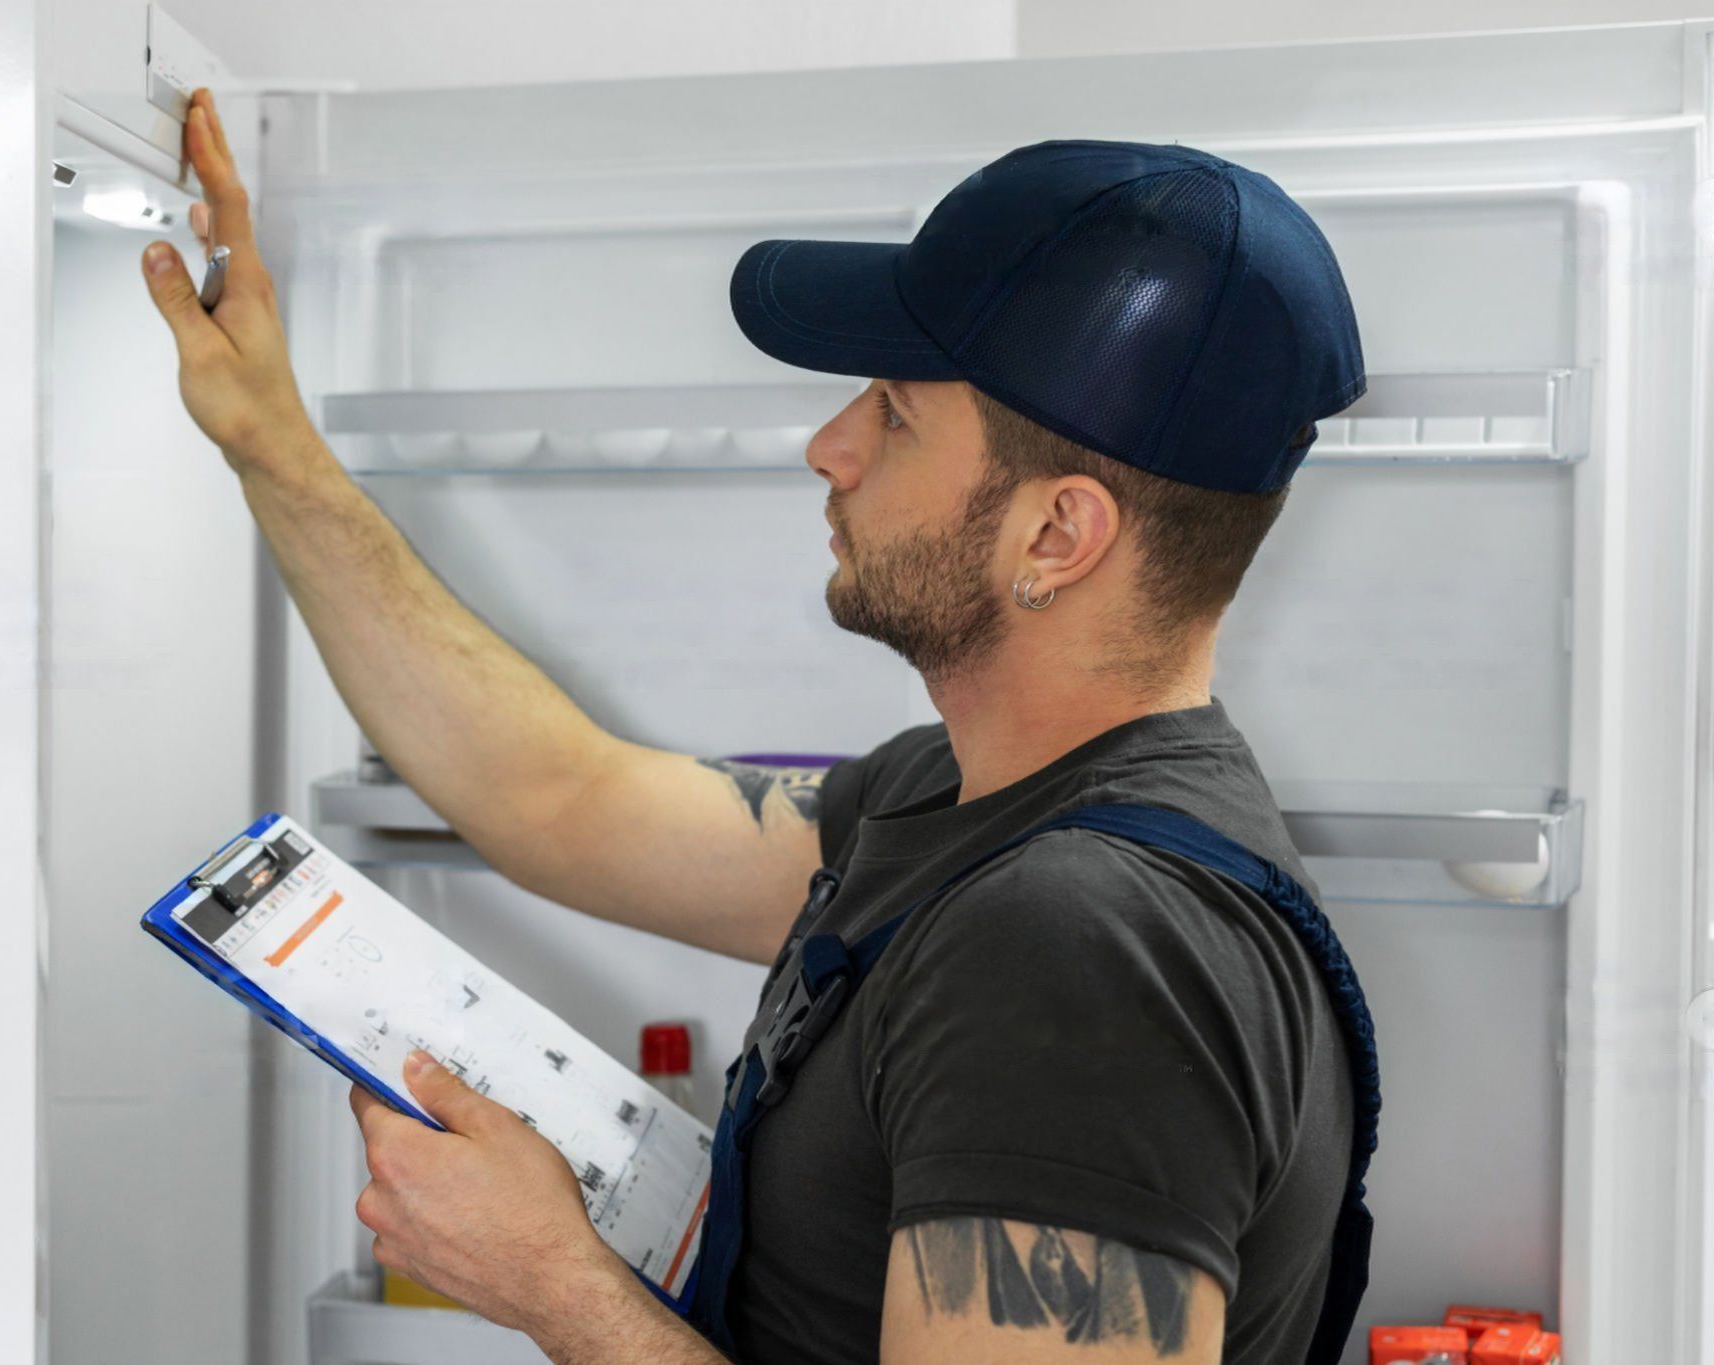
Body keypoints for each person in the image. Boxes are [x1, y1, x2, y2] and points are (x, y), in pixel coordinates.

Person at [141, 87, 1375, 1365]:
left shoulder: (1082, 949)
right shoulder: (959, 799)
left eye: (894, 412)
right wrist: (272, 443)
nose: (828, 446)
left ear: (1055, 534)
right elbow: (562, 801)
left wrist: (552, 1285)